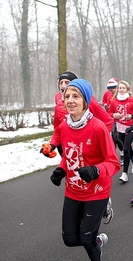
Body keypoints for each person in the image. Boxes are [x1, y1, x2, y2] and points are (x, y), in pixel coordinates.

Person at [48, 79, 121, 261]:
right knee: (70, 239)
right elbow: (70, 156)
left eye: (76, 96)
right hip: (72, 191)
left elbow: (114, 162)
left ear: (86, 101)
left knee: (86, 238)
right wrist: (60, 170)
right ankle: (97, 242)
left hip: (96, 192)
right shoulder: (64, 127)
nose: (70, 100)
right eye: (67, 97)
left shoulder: (97, 128)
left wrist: (96, 170)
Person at [43, 71, 115, 225]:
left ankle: (102, 202)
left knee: (91, 177)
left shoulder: (90, 102)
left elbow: (108, 122)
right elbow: (58, 130)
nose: (63, 86)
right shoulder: (59, 103)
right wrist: (52, 145)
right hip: (68, 145)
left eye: (67, 83)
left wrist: (99, 139)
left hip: (90, 145)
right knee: (74, 174)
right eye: (61, 83)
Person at [108, 80, 133, 183]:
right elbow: (109, 113)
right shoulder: (114, 101)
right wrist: (114, 115)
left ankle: (124, 174)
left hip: (130, 127)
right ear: (117, 89)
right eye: (120, 88)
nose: (122, 90)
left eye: (124, 88)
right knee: (127, 148)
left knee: (125, 148)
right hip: (120, 127)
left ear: (127, 89)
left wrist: (132, 116)